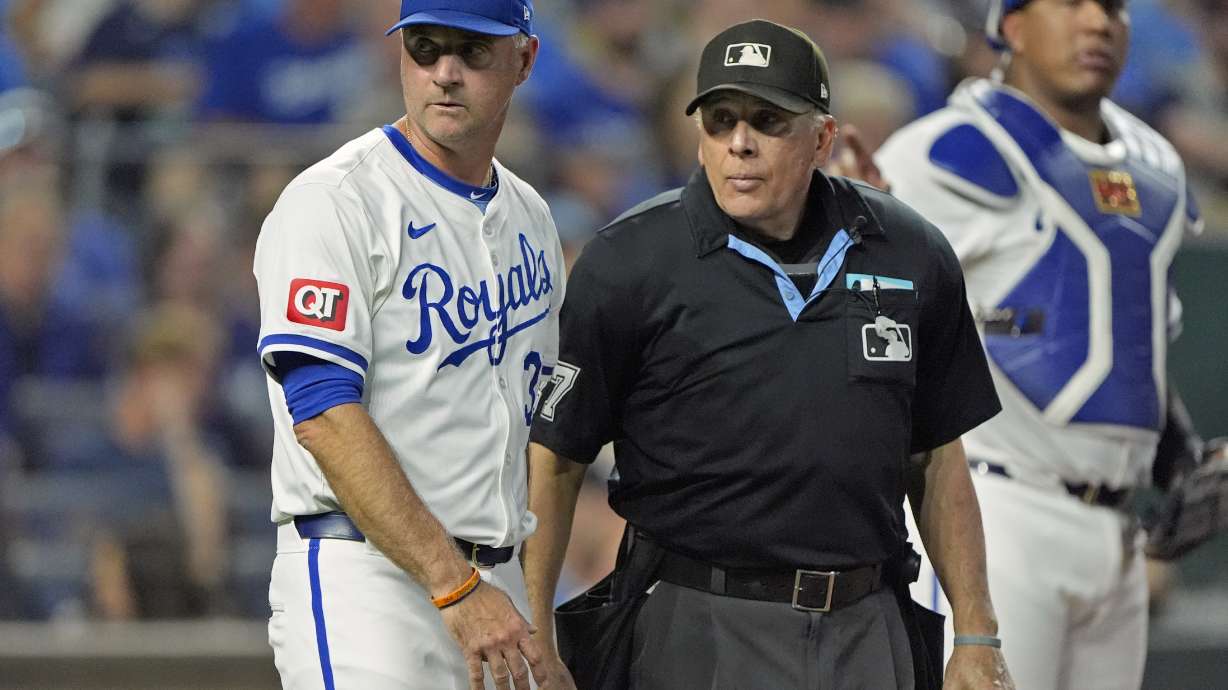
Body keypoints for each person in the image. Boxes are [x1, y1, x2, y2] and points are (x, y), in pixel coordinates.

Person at [523, 19, 1013, 690]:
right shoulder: (630, 259)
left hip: (869, 621)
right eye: (720, 121)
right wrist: (535, 631)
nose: (740, 144)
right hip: (696, 625)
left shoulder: (908, 250)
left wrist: (977, 631)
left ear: (823, 138)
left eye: (767, 120)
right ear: (698, 140)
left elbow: (937, 457)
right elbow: (556, 458)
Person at [852, 1, 1207, 688]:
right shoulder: (941, 151)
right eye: (1071, 4)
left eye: (1112, 8)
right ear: (1010, 26)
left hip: (1118, 531)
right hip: (995, 512)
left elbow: (1133, 341)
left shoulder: (1155, 164)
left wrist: (1181, 456)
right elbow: (868, 325)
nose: (1098, 23)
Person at [252, 1, 569, 688]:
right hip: (368, 581)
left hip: (496, 584)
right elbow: (323, 413)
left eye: (473, 50)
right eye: (425, 48)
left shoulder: (532, 218)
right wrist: (454, 585)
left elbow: (538, 431)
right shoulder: (336, 200)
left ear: (524, 59)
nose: (445, 73)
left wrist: (533, 619)